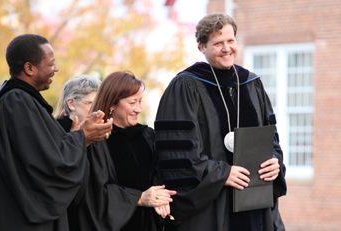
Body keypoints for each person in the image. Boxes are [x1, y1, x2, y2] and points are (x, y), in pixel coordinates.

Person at [154, 13, 287, 231]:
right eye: (218, 43)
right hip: (210, 212)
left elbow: (271, 141)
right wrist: (222, 174)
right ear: (201, 46)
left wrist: (274, 162)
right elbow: (176, 156)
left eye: (230, 41)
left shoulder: (251, 84)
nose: (227, 48)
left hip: (255, 206)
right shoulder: (184, 87)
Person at [0, 34, 113, 231]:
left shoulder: (22, 102)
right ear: (29, 68)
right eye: (51, 64)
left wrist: (79, 137)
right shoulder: (17, 103)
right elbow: (48, 165)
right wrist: (81, 137)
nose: (56, 69)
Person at [76, 70, 177, 231]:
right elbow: (94, 193)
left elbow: (158, 175)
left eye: (140, 101)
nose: (138, 109)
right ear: (111, 104)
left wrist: (159, 197)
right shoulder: (95, 141)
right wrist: (140, 198)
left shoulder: (147, 136)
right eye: (132, 103)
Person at [53, 74, 101, 231]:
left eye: (99, 104)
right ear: (71, 104)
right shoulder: (54, 132)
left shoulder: (100, 134)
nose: (97, 111)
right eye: (90, 104)